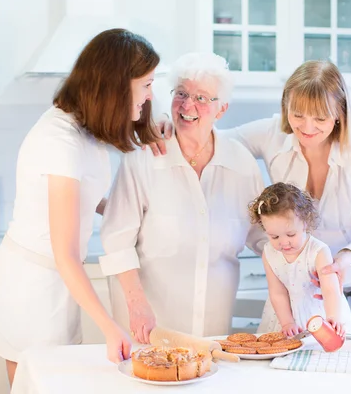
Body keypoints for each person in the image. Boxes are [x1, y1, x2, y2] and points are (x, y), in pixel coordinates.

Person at [153, 60, 351, 325]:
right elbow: (216, 139)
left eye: (320, 118)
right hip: (310, 274)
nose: (307, 127)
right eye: (298, 114)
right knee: (311, 350)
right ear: (286, 106)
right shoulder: (273, 134)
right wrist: (167, 122)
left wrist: (344, 260)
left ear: (339, 113)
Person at [0, 29, 160, 386]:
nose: (150, 94)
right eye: (146, 85)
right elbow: (63, 253)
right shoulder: (60, 140)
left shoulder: (84, 128)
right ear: (116, 85)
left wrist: (128, 212)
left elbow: (84, 195)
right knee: (34, 383)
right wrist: (110, 328)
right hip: (33, 285)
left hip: (59, 281)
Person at [99, 52, 265, 343]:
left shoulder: (241, 164)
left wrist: (299, 262)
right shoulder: (144, 158)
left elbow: (263, 234)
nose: (189, 105)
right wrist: (136, 306)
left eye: (202, 98)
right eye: (182, 94)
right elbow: (116, 240)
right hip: (149, 328)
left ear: (221, 109)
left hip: (213, 331)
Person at [248, 183, 351, 337]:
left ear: (305, 222)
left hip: (319, 313)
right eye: (274, 237)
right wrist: (287, 322)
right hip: (284, 315)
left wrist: (332, 317)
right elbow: (277, 293)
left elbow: (330, 289)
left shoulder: (318, 251)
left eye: (291, 234)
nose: (284, 242)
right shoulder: (269, 253)